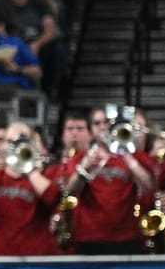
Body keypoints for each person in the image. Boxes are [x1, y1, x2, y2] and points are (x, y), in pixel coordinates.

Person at [63, 107, 156, 253]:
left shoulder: (134, 156)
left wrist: (125, 154)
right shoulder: (80, 158)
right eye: (96, 123)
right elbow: (70, 192)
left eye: (106, 122)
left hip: (126, 237)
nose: (102, 127)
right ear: (90, 130)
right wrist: (85, 166)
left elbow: (149, 187)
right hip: (88, 237)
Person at [0, 122, 60, 255]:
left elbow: (52, 197)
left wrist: (29, 168)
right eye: (9, 141)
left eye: (21, 141)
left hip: (32, 259)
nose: (15, 147)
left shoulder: (43, 175)